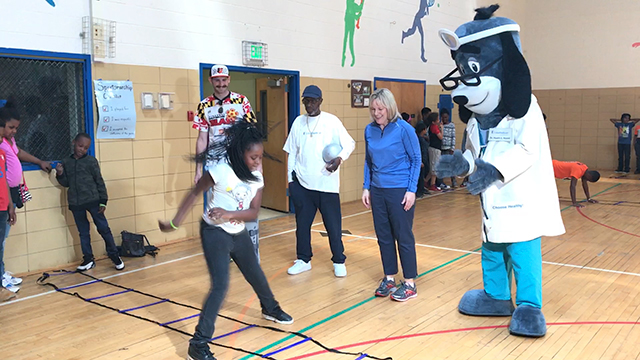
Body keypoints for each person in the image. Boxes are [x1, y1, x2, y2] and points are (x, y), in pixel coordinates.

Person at [159, 122, 293, 360]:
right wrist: (175, 222)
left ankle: (270, 309)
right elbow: (194, 192)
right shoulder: (220, 171)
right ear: (240, 153)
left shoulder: (257, 179)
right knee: (220, 285)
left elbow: (253, 212)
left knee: (257, 276)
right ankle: (198, 344)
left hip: (238, 232)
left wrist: (229, 214)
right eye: (253, 157)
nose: (257, 161)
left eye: (260, 157)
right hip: (214, 234)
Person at [283, 85, 355, 277]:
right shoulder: (298, 122)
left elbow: (350, 143)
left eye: (314, 100)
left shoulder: (332, 121)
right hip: (302, 184)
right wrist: (291, 180)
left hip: (326, 185)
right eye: (306, 101)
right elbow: (291, 152)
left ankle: (339, 260)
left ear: (320, 101)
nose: (310, 104)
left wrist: (339, 158)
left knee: (333, 226)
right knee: (302, 226)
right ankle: (303, 259)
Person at [192, 64, 261, 260]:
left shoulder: (241, 101)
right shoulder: (204, 105)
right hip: (215, 164)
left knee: (243, 201)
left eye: (224, 80)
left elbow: (252, 134)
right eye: (217, 80)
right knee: (219, 206)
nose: (221, 84)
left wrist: (257, 165)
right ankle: (226, 249)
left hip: (239, 162)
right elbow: (202, 139)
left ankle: (249, 249)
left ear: (228, 80)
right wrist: (199, 169)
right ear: (211, 81)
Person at [362, 88, 421, 302]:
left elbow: (416, 160)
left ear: (390, 107)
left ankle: (409, 283)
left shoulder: (404, 129)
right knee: (383, 236)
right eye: (373, 109)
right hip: (378, 190)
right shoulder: (369, 130)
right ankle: (389, 278)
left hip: (400, 190)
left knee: (403, 235)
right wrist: (366, 187)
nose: (376, 113)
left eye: (380, 108)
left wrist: (412, 190)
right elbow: (368, 161)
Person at [0, 99, 51, 291]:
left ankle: (1, 271)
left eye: (16, 128)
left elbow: (18, 153)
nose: (14, 131)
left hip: (11, 192)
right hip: (3, 194)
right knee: (1, 237)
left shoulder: (9, 141)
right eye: (11, 127)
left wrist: (38, 161)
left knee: (4, 235)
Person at [55, 133, 124, 271]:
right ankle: (88, 259)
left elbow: (99, 181)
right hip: (76, 203)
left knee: (103, 229)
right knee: (83, 232)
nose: (82, 150)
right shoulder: (66, 162)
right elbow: (66, 183)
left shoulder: (91, 161)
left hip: (94, 201)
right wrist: (60, 173)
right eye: (80, 146)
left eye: (86, 148)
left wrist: (103, 201)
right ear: (74, 142)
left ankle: (114, 255)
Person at [0, 105, 18, 301]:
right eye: (10, 127)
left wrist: (10, 205)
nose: (13, 132)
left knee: (0, 244)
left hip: (3, 205)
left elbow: (3, 179)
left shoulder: (4, 151)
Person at [342, 0, 365, 67]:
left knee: (348, 39)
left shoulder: (351, 4)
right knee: (348, 40)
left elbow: (358, 10)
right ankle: (349, 56)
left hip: (349, 21)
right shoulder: (350, 3)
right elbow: (358, 9)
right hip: (349, 21)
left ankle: (351, 57)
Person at [426, 112, 443, 191]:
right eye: (437, 119)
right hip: (435, 149)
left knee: (432, 166)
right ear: (433, 121)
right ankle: (432, 184)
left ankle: (425, 181)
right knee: (435, 166)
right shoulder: (434, 127)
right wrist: (442, 128)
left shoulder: (431, 127)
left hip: (433, 148)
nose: (439, 120)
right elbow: (440, 137)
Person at [440, 108, 457, 187]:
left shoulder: (451, 125)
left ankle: (453, 181)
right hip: (441, 148)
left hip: (448, 148)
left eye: (446, 117)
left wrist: (452, 148)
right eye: (443, 117)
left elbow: (453, 137)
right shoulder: (440, 125)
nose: (444, 119)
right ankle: (442, 182)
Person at [415, 122, 430, 198]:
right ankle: (419, 191)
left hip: (423, 159)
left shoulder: (421, 139)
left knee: (422, 175)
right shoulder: (419, 140)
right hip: (421, 160)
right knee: (420, 177)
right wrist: (420, 161)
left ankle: (421, 190)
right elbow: (420, 151)